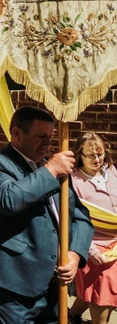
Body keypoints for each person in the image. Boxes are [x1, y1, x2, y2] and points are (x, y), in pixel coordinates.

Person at [0, 106, 94, 323]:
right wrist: (50, 171)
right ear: (17, 133)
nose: (47, 143)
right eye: (40, 136)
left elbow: (81, 217)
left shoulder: (56, 171)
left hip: (53, 283)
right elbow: (9, 199)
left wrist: (75, 254)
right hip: (13, 283)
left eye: (50, 137)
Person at [68, 132, 117, 324]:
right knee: (104, 291)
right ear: (80, 155)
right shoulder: (74, 181)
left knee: (96, 288)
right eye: (91, 155)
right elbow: (71, 218)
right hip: (94, 244)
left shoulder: (111, 170)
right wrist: (90, 249)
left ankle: (72, 315)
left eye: (100, 154)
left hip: (115, 242)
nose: (97, 159)